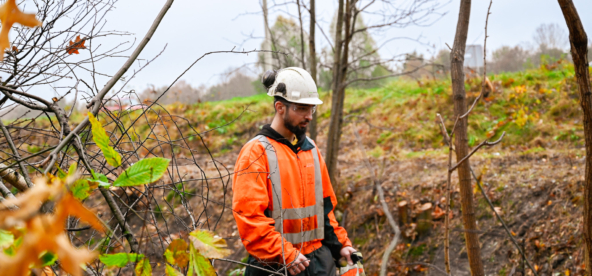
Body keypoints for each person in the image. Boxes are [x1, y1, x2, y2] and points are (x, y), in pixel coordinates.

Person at [232, 67, 356, 276]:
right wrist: (284, 252)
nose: (309, 116)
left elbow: (325, 209)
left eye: (312, 109)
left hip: (317, 263)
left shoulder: (312, 150)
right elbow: (250, 218)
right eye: (301, 108)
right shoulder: (256, 152)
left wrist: (341, 245)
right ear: (280, 107)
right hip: (273, 267)